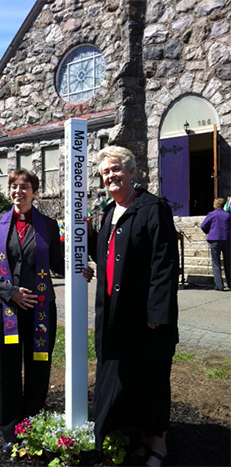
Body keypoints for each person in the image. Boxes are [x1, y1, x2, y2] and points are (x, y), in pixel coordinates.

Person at [87, 146, 179, 467]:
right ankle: (138, 437)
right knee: (130, 381)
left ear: (131, 172)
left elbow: (165, 263)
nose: (110, 176)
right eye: (105, 172)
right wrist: (86, 264)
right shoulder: (110, 213)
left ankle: (158, 444)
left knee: (152, 380)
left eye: (116, 170)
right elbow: (108, 258)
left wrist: (157, 312)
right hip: (116, 315)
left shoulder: (153, 208)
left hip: (145, 318)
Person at [0, 169, 66, 454]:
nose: (18, 191)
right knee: (9, 370)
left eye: (24, 186)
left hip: (40, 310)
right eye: (14, 186)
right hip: (6, 310)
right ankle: (11, 430)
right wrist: (11, 292)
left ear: (35, 192)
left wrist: (84, 246)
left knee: (39, 367)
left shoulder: (49, 226)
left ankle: (33, 424)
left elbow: (60, 265)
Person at [200, 198, 231, 291]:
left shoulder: (212, 214)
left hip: (214, 240)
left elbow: (203, 225)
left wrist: (209, 232)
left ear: (215, 205)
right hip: (226, 239)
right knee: (228, 262)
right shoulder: (228, 215)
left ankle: (219, 285)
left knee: (216, 263)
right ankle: (230, 283)